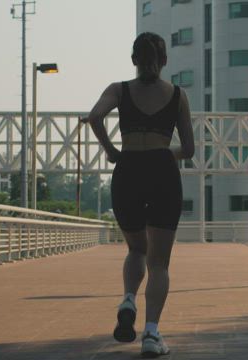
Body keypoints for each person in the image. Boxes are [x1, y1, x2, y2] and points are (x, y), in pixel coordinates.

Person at [81, 32, 194, 358]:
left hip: (127, 169)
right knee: (159, 263)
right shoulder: (177, 95)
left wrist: (112, 150)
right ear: (164, 61)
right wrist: (163, 152)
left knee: (136, 249)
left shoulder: (119, 90)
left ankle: (128, 298)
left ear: (133, 59)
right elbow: (188, 149)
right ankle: (152, 333)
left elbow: (95, 117)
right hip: (162, 171)